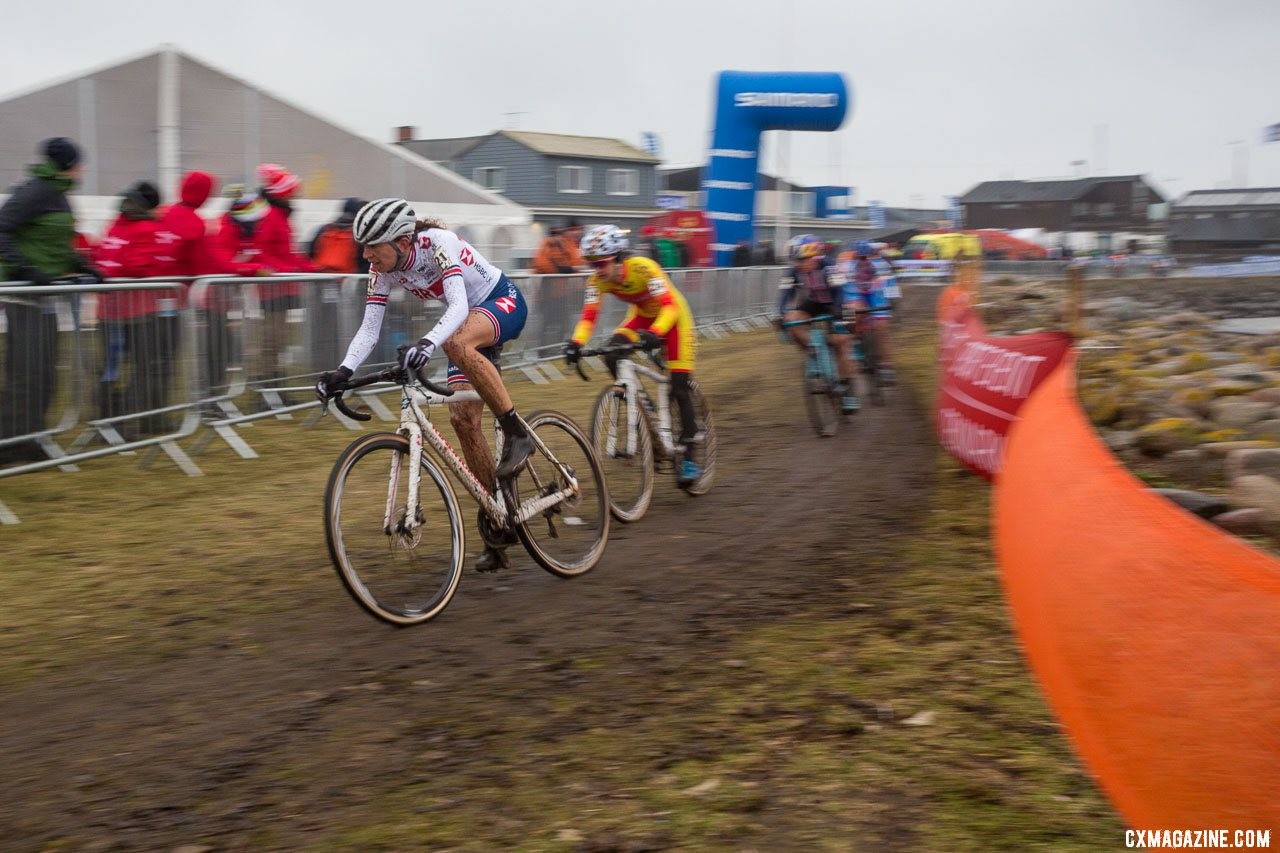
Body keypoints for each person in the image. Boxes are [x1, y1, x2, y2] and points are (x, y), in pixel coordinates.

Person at [314, 199, 532, 573]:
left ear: (401, 241)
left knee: (455, 343)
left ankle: (517, 432)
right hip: (465, 323)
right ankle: (497, 521)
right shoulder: (380, 270)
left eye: (372, 245)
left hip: (501, 303)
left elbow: (460, 306)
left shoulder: (437, 243)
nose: (365, 254)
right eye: (361, 245)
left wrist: (427, 344)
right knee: (462, 419)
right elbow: (369, 328)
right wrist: (343, 371)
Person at [562, 224, 703, 483]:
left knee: (679, 387)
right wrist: (575, 343)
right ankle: (639, 404)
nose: (596, 271)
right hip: (640, 319)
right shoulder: (597, 281)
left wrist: (657, 332)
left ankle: (690, 456)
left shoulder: (644, 268)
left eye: (601, 264)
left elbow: (669, 307)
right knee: (612, 354)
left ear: (618, 258)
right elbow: (589, 317)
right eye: (591, 265)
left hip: (673, 319)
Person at [0, 137, 105, 464]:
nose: (83, 169)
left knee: (44, 373)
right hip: (25, 295)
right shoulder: (36, 191)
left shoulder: (58, 194)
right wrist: (28, 270)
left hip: (45, 296)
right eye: (80, 163)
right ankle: (11, 446)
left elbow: (56, 244)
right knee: (26, 374)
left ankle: (32, 438)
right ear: (68, 165)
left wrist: (84, 265)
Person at [93, 180, 183, 435]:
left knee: (112, 369)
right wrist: (159, 269)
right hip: (138, 312)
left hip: (108, 310)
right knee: (145, 367)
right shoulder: (146, 228)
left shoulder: (115, 224)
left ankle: (108, 422)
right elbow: (138, 267)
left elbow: (103, 259)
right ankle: (130, 417)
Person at [778, 235, 859, 414]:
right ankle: (813, 350)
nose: (798, 265)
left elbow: (839, 292)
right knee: (792, 319)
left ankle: (847, 389)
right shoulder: (793, 271)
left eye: (801, 260)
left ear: (813, 256)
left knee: (841, 342)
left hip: (836, 304)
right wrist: (782, 315)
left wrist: (839, 314)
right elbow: (785, 295)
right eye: (796, 261)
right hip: (814, 304)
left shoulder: (828, 267)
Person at [252, 163, 314, 382]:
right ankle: (266, 386)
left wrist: (310, 268)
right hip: (273, 290)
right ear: (283, 193)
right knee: (271, 339)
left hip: (282, 287)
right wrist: (289, 270)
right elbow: (262, 252)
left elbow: (288, 253)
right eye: (292, 191)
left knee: (279, 339)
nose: (295, 195)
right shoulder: (271, 218)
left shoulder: (280, 217)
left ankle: (274, 382)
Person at [847, 245, 895, 387]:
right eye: (860, 257)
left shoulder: (882, 265)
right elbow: (846, 291)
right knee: (850, 315)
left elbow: (890, 286)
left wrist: (892, 302)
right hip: (855, 293)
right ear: (856, 257)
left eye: (867, 257)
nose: (864, 260)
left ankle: (886, 366)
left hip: (876, 294)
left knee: (882, 329)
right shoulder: (849, 266)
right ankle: (855, 342)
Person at [530, 218, 584, 345]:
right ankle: (543, 351)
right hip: (547, 294)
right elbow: (542, 264)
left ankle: (555, 348)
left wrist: (571, 269)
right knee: (546, 325)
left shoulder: (567, 246)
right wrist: (568, 269)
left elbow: (576, 264)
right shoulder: (549, 244)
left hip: (561, 294)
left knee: (563, 323)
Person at [308, 197, 368, 274]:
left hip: (322, 277)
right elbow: (365, 259)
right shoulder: (359, 232)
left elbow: (311, 252)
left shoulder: (325, 229)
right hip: (349, 279)